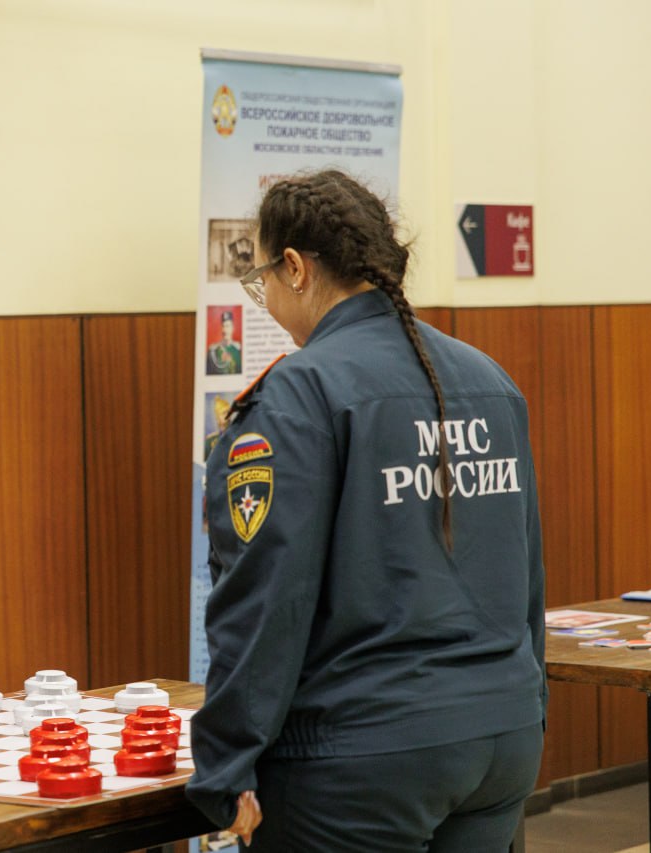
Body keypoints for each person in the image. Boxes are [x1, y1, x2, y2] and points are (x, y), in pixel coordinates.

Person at [186, 169, 546, 851]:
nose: (264, 301)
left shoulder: (299, 393)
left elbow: (265, 592)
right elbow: (525, 577)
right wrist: (525, 707)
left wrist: (227, 758)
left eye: (261, 280)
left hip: (364, 757)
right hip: (503, 738)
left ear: (294, 267)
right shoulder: (490, 380)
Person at [206, 309, 242, 375]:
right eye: (223, 326)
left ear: (232, 328)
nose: (225, 330)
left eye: (228, 326)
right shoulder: (213, 350)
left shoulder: (238, 349)